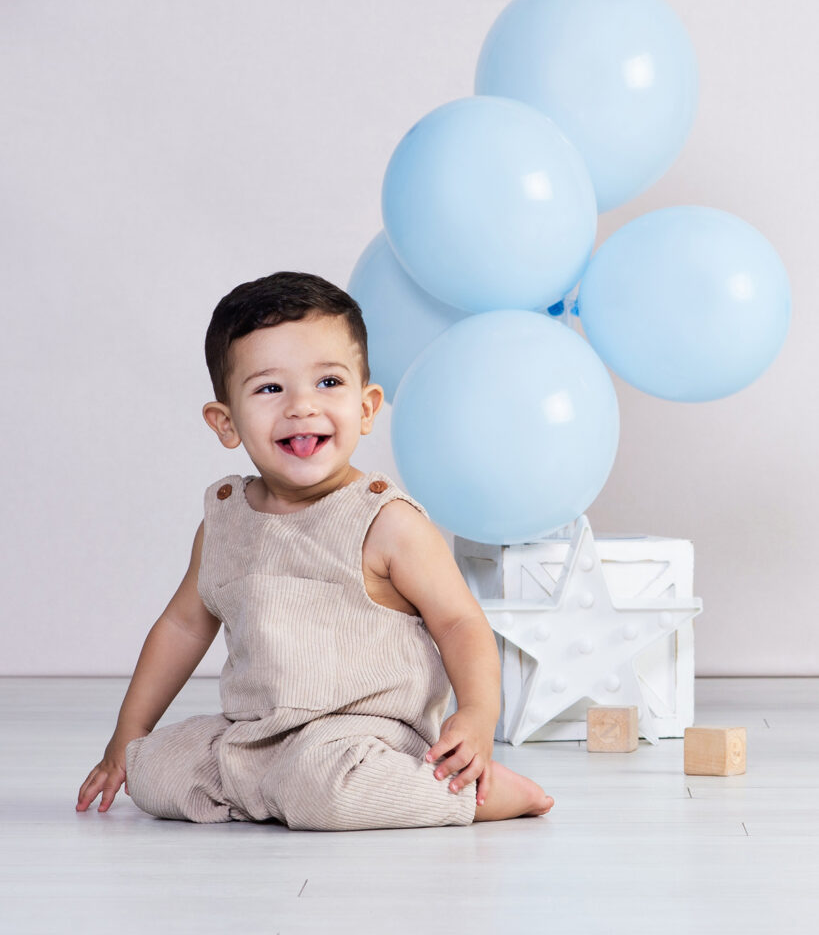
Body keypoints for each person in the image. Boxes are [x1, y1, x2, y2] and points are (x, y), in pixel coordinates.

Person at [76, 271, 554, 830]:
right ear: (225, 423)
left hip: (363, 736)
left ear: (368, 407)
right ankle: (270, 793)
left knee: (325, 788)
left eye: (328, 383)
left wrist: (476, 713)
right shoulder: (226, 521)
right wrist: (127, 737)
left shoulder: (384, 520)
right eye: (270, 388)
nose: (302, 407)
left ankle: (467, 796)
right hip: (254, 732)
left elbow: (458, 623)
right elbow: (182, 629)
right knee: (155, 770)